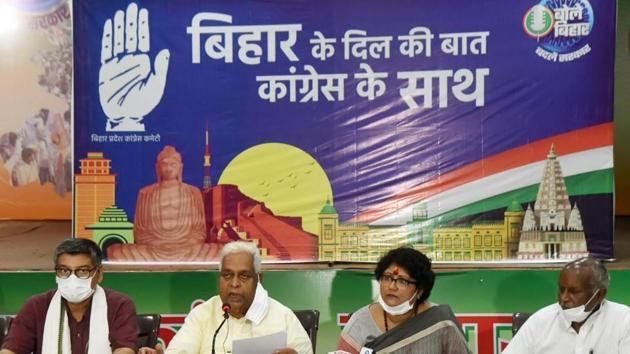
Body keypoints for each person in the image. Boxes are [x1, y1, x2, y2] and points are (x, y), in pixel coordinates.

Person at [163, 241, 312, 353]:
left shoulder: (283, 317)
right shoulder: (202, 315)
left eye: (244, 276)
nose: (234, 283)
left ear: (259, 279)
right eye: (227, 275)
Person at [0, 238, 139, 354]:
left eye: (83, 270)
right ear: (56, 273)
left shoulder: (119, 305)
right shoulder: (37, 306)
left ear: (99, 273)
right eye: (64, 270)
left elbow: (124, 350)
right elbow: (10, 351)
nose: (73, 278)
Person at [337, 247, 469, 354]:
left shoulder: (440, 322)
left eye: (402, 281)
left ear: (420, 290)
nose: (392, 286)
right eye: (387, 278)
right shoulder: (359, 323)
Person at [107, 145, 220, 261]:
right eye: (164, 164)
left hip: (188, 248)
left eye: (173, 164)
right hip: (153, 248)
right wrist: (158, 243)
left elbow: (199, 231)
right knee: (115, 251)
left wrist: (186, 243)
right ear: (157, 168)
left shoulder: (193, 192)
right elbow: (139, 231)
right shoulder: (145, 193)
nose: (168, 168)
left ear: (180, 168)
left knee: (218, 251)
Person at [503, 257, 630, 354]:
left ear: (599, 295)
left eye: (574, 292)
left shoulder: (623, 321)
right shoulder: (541, 321)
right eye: (562, 289)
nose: (564, 298)